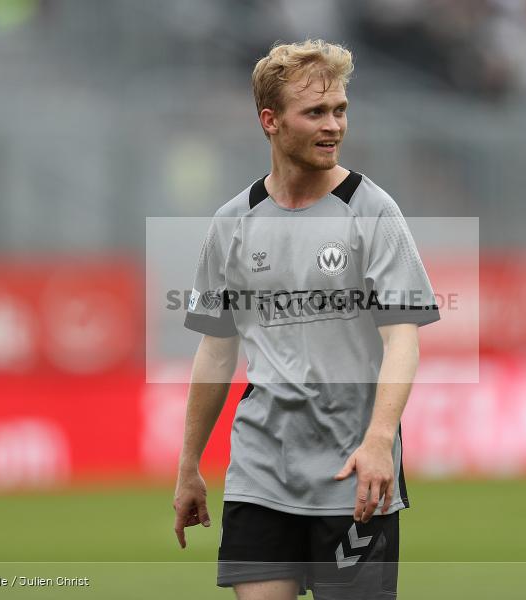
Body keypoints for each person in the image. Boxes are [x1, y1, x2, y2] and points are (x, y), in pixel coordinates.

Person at [173, 39, 440, 599]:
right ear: (270, 121)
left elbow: (402, 340)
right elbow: (217, 351)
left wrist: (378, 440)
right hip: (260, 473)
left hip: (353, 477)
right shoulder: (232, 223)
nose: (333, 125)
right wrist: (189, 464)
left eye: (340, 109)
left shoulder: (374, 212)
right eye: (315, 112)